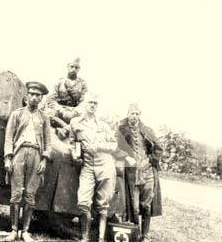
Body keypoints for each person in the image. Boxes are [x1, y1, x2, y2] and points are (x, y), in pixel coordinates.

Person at [3, 81, 52, 242]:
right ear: (27, 95)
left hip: (36, 154)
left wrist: (44, 159)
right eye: (31, 94)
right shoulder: (17, 114)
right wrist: (8, 158)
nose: (34, 97)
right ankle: (13, 230)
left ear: (41, 98)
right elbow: (9, 138)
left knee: (30, 195)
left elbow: (48, 142)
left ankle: (25, 231)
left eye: (37, 95)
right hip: (19, 153)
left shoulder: (44, 118)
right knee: (16, 194)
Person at [69, 93, 117, 242]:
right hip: (88, 165)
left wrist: (98, 146)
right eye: (90, 102)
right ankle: (85, 238)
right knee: (83, 202)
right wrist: (75, 155)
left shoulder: (103, 126)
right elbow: (73, 143)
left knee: (103, 205)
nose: (92, 106)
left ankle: (101, 239)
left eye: (95, 103)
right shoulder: (75, 122)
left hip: (105, 164)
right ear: (84, 104)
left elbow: (114, 145)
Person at [116, 104, 163, 242]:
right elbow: (116, 148)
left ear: (139, 115)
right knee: (134, 206)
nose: (134, 116)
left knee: (146, 204)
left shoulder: (147, 130)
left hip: (147, 171)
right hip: (131, 173)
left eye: (136, 113)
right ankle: (135, 233)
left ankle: (145, 235)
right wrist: (126, 157)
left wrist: (150, 160)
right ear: (128, 114)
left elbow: (159, 147)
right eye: (131, 113)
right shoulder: (121, 130)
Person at [47, 58, 88, 132]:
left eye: (76, 67)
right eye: (72, 66)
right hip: (60, 110)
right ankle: (65, 127)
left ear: (79, 69)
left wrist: (75, 112)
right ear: (68, 66)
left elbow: (84, 101)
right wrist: (62, 111)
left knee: (86, 119)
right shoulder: (59, 81)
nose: (74, 69)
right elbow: (50, 99)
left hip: (75, 111)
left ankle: (68, 130)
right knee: (48, 113)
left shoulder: (83, 83)